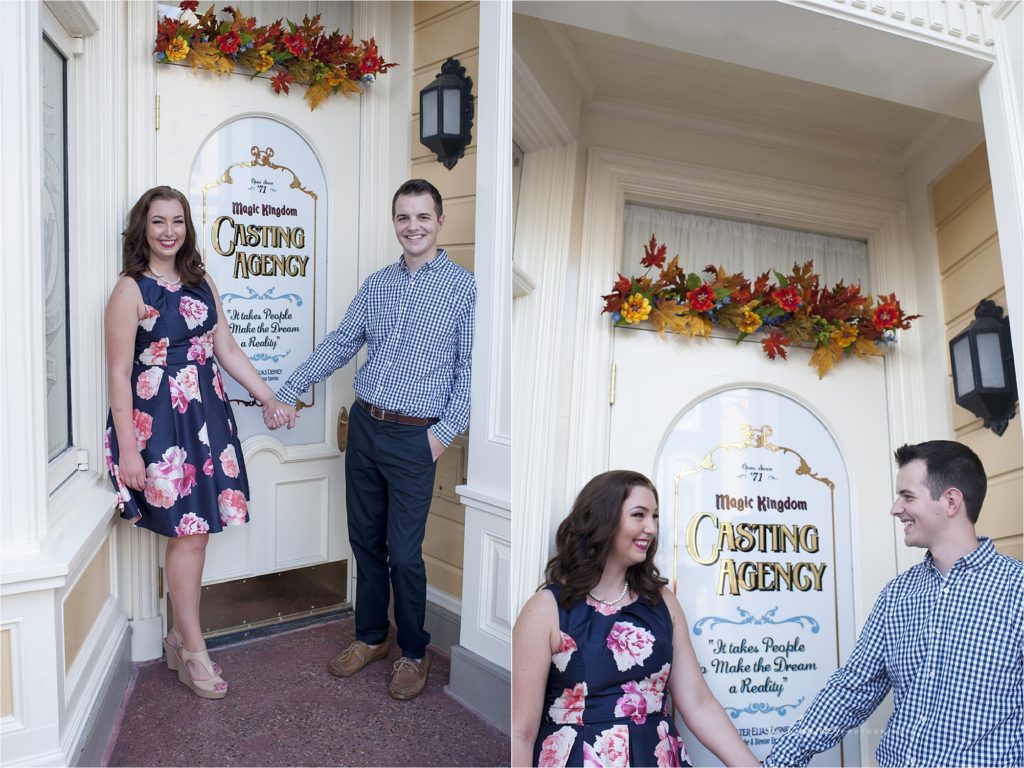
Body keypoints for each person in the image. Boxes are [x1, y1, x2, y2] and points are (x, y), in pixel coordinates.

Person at [275, 178, 476, 701]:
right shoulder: (377, 284)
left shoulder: (465, 289)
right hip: (365, 427)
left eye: (423, 216)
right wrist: (290, 391)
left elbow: (472, 372)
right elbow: (343, 342)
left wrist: (442, 436)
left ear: (440, 222)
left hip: (416, 438)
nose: (413, 226)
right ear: (395, 223)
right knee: (365, 542)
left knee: (404, 554)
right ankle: (370, 638)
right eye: (404, 217)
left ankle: (413, 652)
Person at [105, 186, 296, 700]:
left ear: (187, 228)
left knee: (198, 532)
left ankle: (176, 636)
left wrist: (269, 398)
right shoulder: (131, 290)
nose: (169, 231)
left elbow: (225, 348)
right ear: (142, 228)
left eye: (178, 221)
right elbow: (119, 373)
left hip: (207, 415)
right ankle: (194, 647)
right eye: (158, 221)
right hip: (160, 424)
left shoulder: (200, 280)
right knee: (188, 533)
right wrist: (128, 448)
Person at [764, 440, 1023, 767]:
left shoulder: (1017, 591)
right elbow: (851, 690)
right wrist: (779, 762)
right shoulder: (897, 595)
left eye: (908, 496)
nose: (895, 508)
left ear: (951, 501)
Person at [511, 470, 759, 767]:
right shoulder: (546, 609)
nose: (651, 528)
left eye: (654, 517)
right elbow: (520, 732)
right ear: (604, 519)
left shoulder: (662, 602)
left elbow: (698, 702)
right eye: (639, 515)